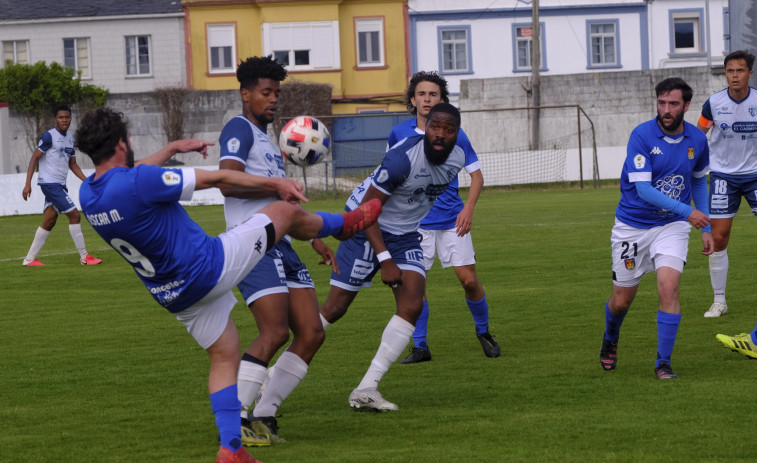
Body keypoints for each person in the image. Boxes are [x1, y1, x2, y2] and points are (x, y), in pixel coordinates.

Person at [74, 107, 380, 463]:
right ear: (123, 145)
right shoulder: (138, 182)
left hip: (171, 293)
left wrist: (172, 147)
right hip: (207, 267)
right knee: (283, 213)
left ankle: (231, 448)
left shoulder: (89, 194)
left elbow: (133, 175)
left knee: (224, 354)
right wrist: (275, 184)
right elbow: (218, 179)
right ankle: (344, 224)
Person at [218, 55, 339, 444]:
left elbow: (286, 203)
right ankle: (233, 421)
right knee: (272, 331)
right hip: (252, 243)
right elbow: (227, 181)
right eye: (266, 93)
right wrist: (275, 188)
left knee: (311, 332)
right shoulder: (238, 128)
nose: (273, 100)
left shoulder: (270, 143)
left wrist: (314, 235)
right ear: (245, 93)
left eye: (276, 93)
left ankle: (265, 414)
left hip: (283, 244)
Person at [319, 102, 468, 411]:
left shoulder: (458, 158)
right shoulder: (402, 159)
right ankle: (271, 372)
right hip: (364, 224)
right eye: (435, 127)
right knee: (335, 308)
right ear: (426, 128)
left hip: (403, 233)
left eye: (449, 129)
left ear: (457, 133)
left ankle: (366, 388)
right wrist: (384, 258)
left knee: (412, 303)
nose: (440, 134)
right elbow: (367, 211)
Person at [598, 77, 712, 380]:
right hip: (632, 227)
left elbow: (698, 180)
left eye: (673, 104)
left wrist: (705, 225)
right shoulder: (641, 136)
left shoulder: (697, 141)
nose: (666, 109)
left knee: (669, 286)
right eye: (661, 102)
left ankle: (663, 363)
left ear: (686, 106)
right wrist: (689, 212)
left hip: (671, 226)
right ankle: (611, 336)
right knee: (621, 301)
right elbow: (645, 191)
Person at [386, 71, 499, 364]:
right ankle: (421, 347)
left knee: (469, 281)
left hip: (451, 220)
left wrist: (469, 208)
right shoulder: (399, 134)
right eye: (421, 94)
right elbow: (389, 176)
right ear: (412, 99)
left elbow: (476, 175)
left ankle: (484, 332)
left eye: (433, 94)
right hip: (413, 224)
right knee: (415, 287)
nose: (427, 99)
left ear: (441, 100)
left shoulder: (457, 134)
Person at [696, 50, 757, 318]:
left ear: (749, 73)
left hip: (755, 173)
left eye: (740, 70)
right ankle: (719, 301)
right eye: (730, 71)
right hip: (722, 176)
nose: (734, 75)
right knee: (718, 238)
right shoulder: (713, 103)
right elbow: (698, 135)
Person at [21, 104, 102, 267]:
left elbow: (73, 164)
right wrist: (27, 184)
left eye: (67, 117)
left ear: (70, 119)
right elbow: (34, 158)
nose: (64, 120)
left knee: (50, 220)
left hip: (59, 185)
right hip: (49, 184)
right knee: (74, 215)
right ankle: (84, 257)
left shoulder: (70, 138)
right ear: (55, 119)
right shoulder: (49, 136)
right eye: (61, 117)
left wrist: (87, 181)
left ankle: (29, 259)